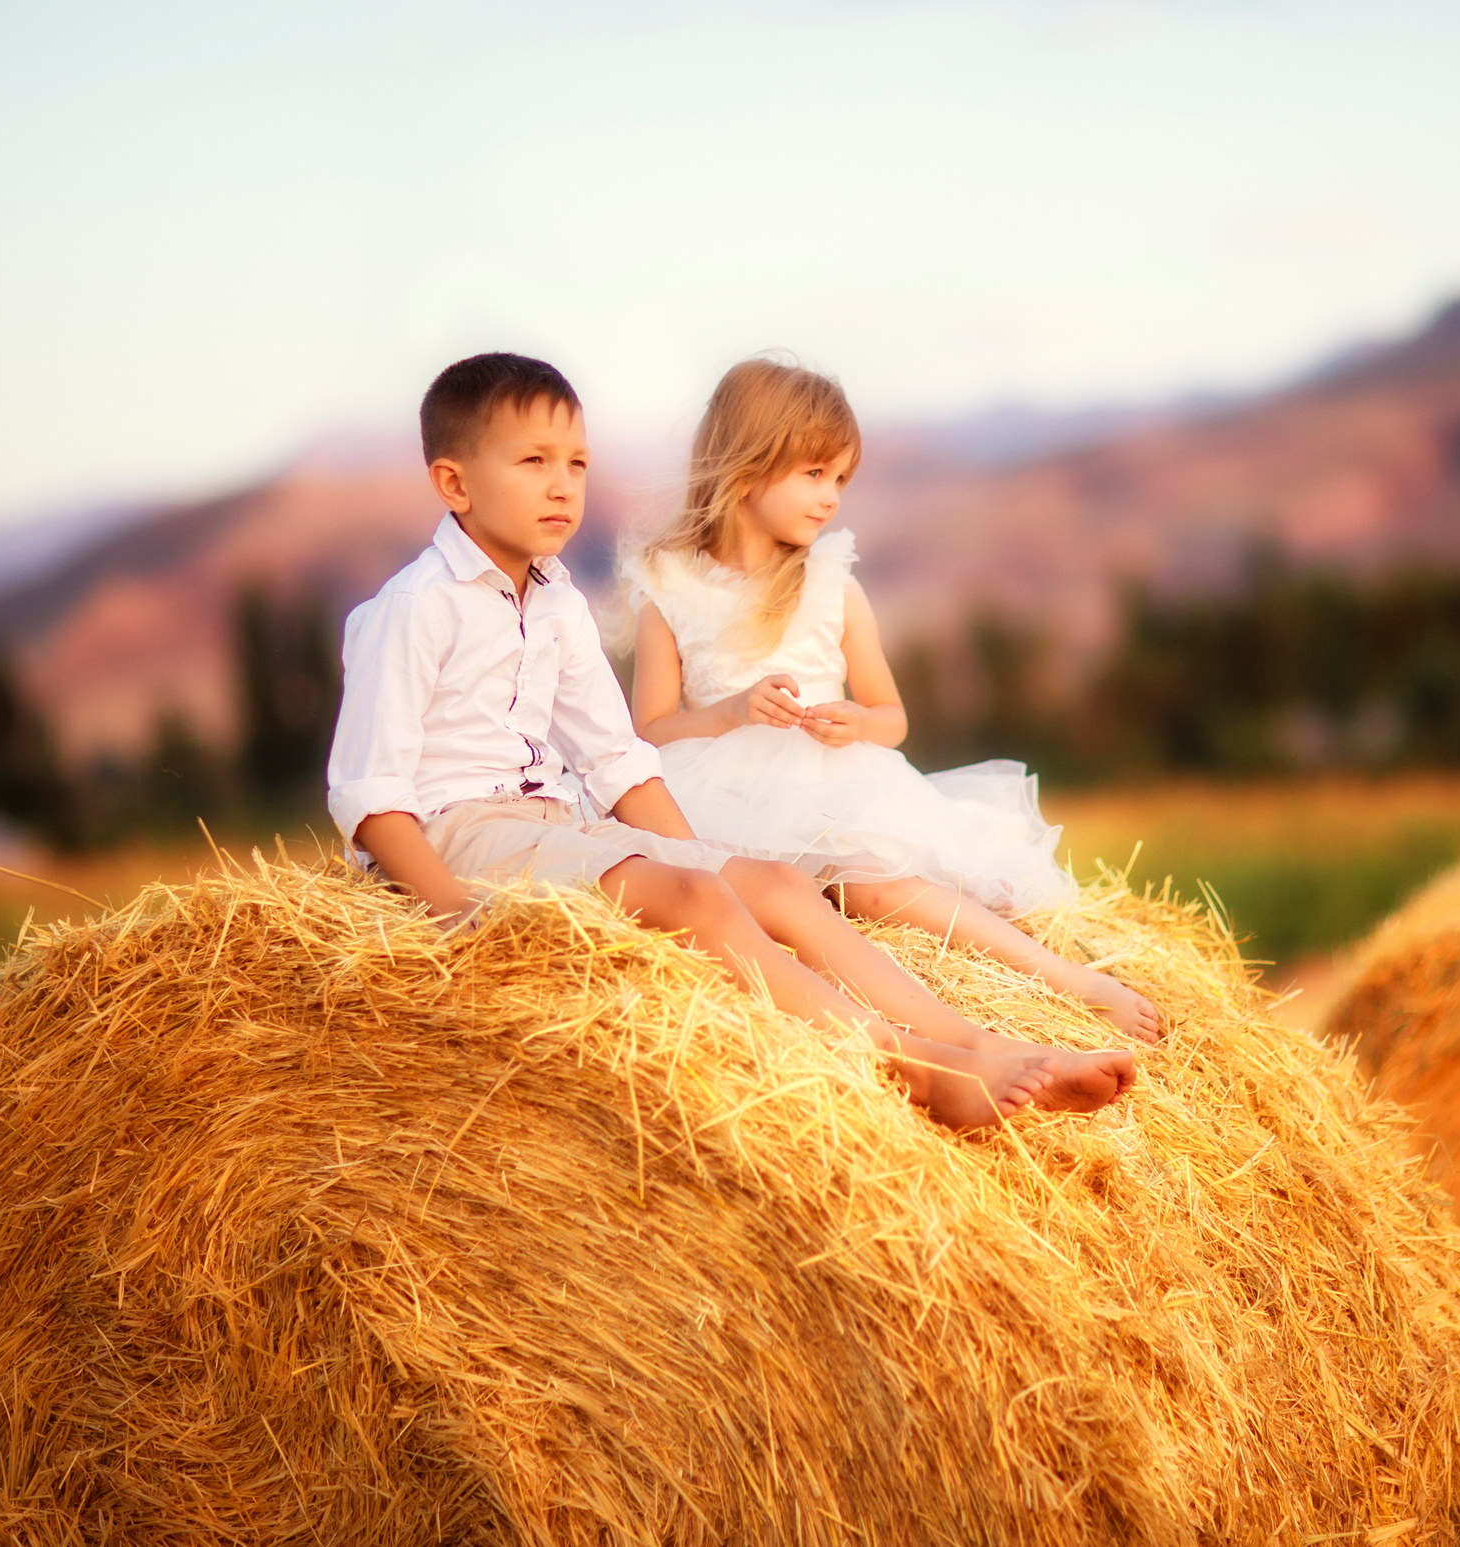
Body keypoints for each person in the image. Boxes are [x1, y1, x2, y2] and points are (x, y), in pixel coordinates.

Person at [327, 352, 1137, 1129]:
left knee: (775, 881)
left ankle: (980, 1042)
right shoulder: (414, 608)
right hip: (464, 829)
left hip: (557, 818)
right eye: (534, 461)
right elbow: (370, 798)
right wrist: (457, 918)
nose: (563, 485)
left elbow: (618, 760)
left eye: (576, 463)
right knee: (697, 899)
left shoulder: (558, 603)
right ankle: (908, 1065)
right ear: (454, 483)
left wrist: (705, 856)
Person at [625, 356, 1162, 1042]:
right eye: (813, 473)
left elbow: (892, 717)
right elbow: (650, 729)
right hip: (713, 791)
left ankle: (1078, 983)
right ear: (747, 465)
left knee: (874, 888)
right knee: (744, 894)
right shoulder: (671, 589)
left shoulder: (831, 586)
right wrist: (729, 713)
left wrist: (856, 724)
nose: (830, 497)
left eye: (841, 479)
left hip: (830, 785)